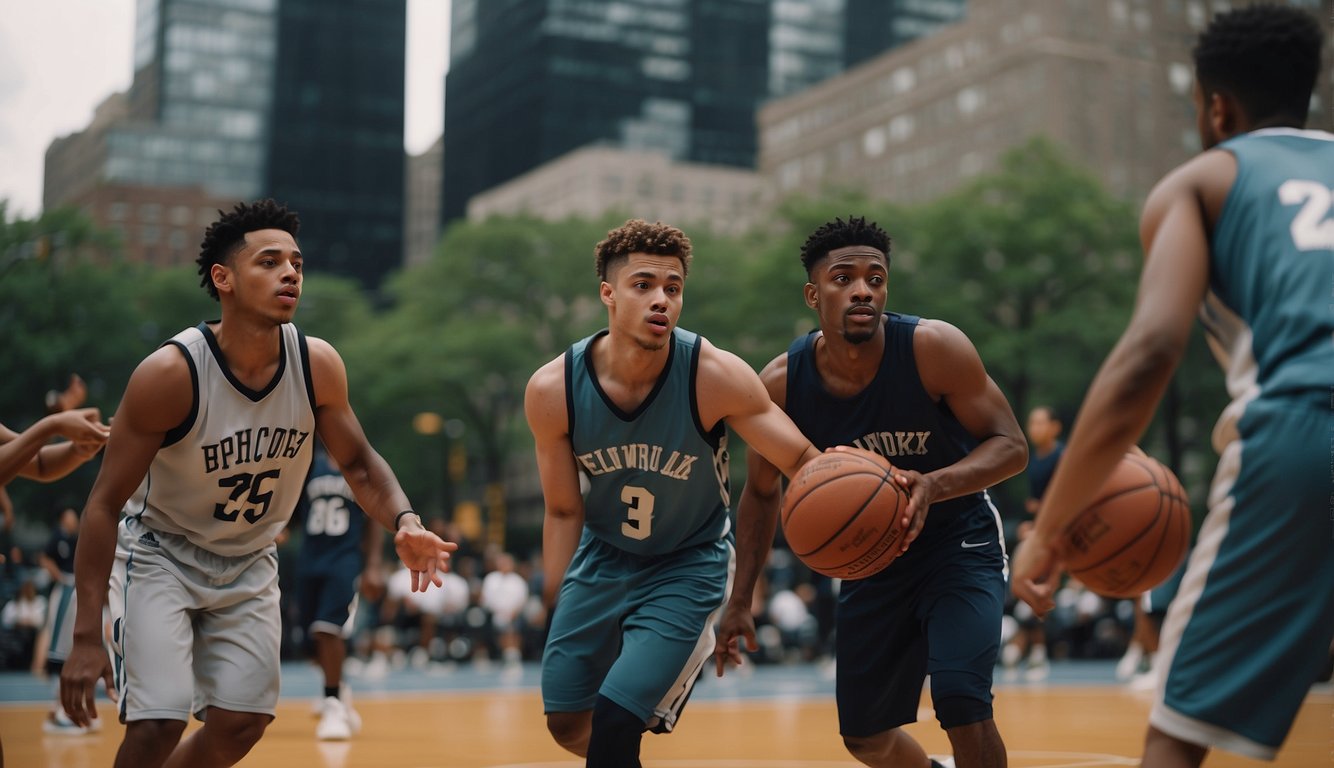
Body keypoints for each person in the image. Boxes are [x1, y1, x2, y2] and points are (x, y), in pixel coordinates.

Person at [1012, 6, 1331, 766]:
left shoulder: (1205, 179)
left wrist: (1049, 532)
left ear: (1216, 108)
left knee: (1176, 739)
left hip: (1309, 431)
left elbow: (1150, 352)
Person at [58, 199, 458, 768]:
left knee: (243, 723)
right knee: (158, 722)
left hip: (248, 559)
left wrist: (407, 521)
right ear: (223, 278)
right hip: (160, 554)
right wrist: (84, 634)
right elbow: (101, 505)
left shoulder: (316, 363)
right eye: (269, 262)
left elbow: (362, 465)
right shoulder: (170, 374)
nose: (290, 272)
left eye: (296, 262)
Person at [716, 215, 1028, 768]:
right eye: (843, 278)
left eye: (875, 278)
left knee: (960, 699)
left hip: (958, 545)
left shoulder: (933, 348)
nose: (863, 289)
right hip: (869, 559)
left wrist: (935, 483)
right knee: (866, 738)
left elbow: (1010, 445)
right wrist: (741, 599)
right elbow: (761, 493)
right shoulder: (782, 385)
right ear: (814, 294)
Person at [524, 218, 821, 767]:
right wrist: (555, 597)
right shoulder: (553, 389)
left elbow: (802, 460)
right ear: (608, 295)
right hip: (602, 553)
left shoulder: (714, 375)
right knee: (567, 723)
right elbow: (564, 509)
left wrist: (864, 493)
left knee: (617, 717)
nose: (661, 299)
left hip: (688, 562)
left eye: (673, 288)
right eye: (643, 286)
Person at [293, 445, 384, 741]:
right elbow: (293, 508)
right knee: (309, 640)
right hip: (310, 559)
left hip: (344, 560)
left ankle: (332, 704)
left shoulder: (358, 468)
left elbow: (374, 520)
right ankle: (339, 688)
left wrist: (372, 565)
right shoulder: (308, 465)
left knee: (327, 628)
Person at [1003, 406, 1064, 680]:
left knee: (1037, 588)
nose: (1035, 428)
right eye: (1032, 422)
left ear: (1055, 427)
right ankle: (1029, 648)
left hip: (1059, 532)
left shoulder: (1061, 456)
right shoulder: (1033, 459)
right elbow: (1038, 501)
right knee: (1027, 593)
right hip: (1042, 530)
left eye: (1041, 423)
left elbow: (1062, 500)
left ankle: (1035, 651)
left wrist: (1040, 522)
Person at [37, 507, 101, 734]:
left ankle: (70, 710)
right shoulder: (57, 537)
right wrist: (61, 578)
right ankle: (59, 711)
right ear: (63, 519)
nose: (74, 521)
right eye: (71, 517)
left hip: (74, 590)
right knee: (59, 653)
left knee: (72, 650)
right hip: (65, 590)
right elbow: (43, 558)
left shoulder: (75, 540)